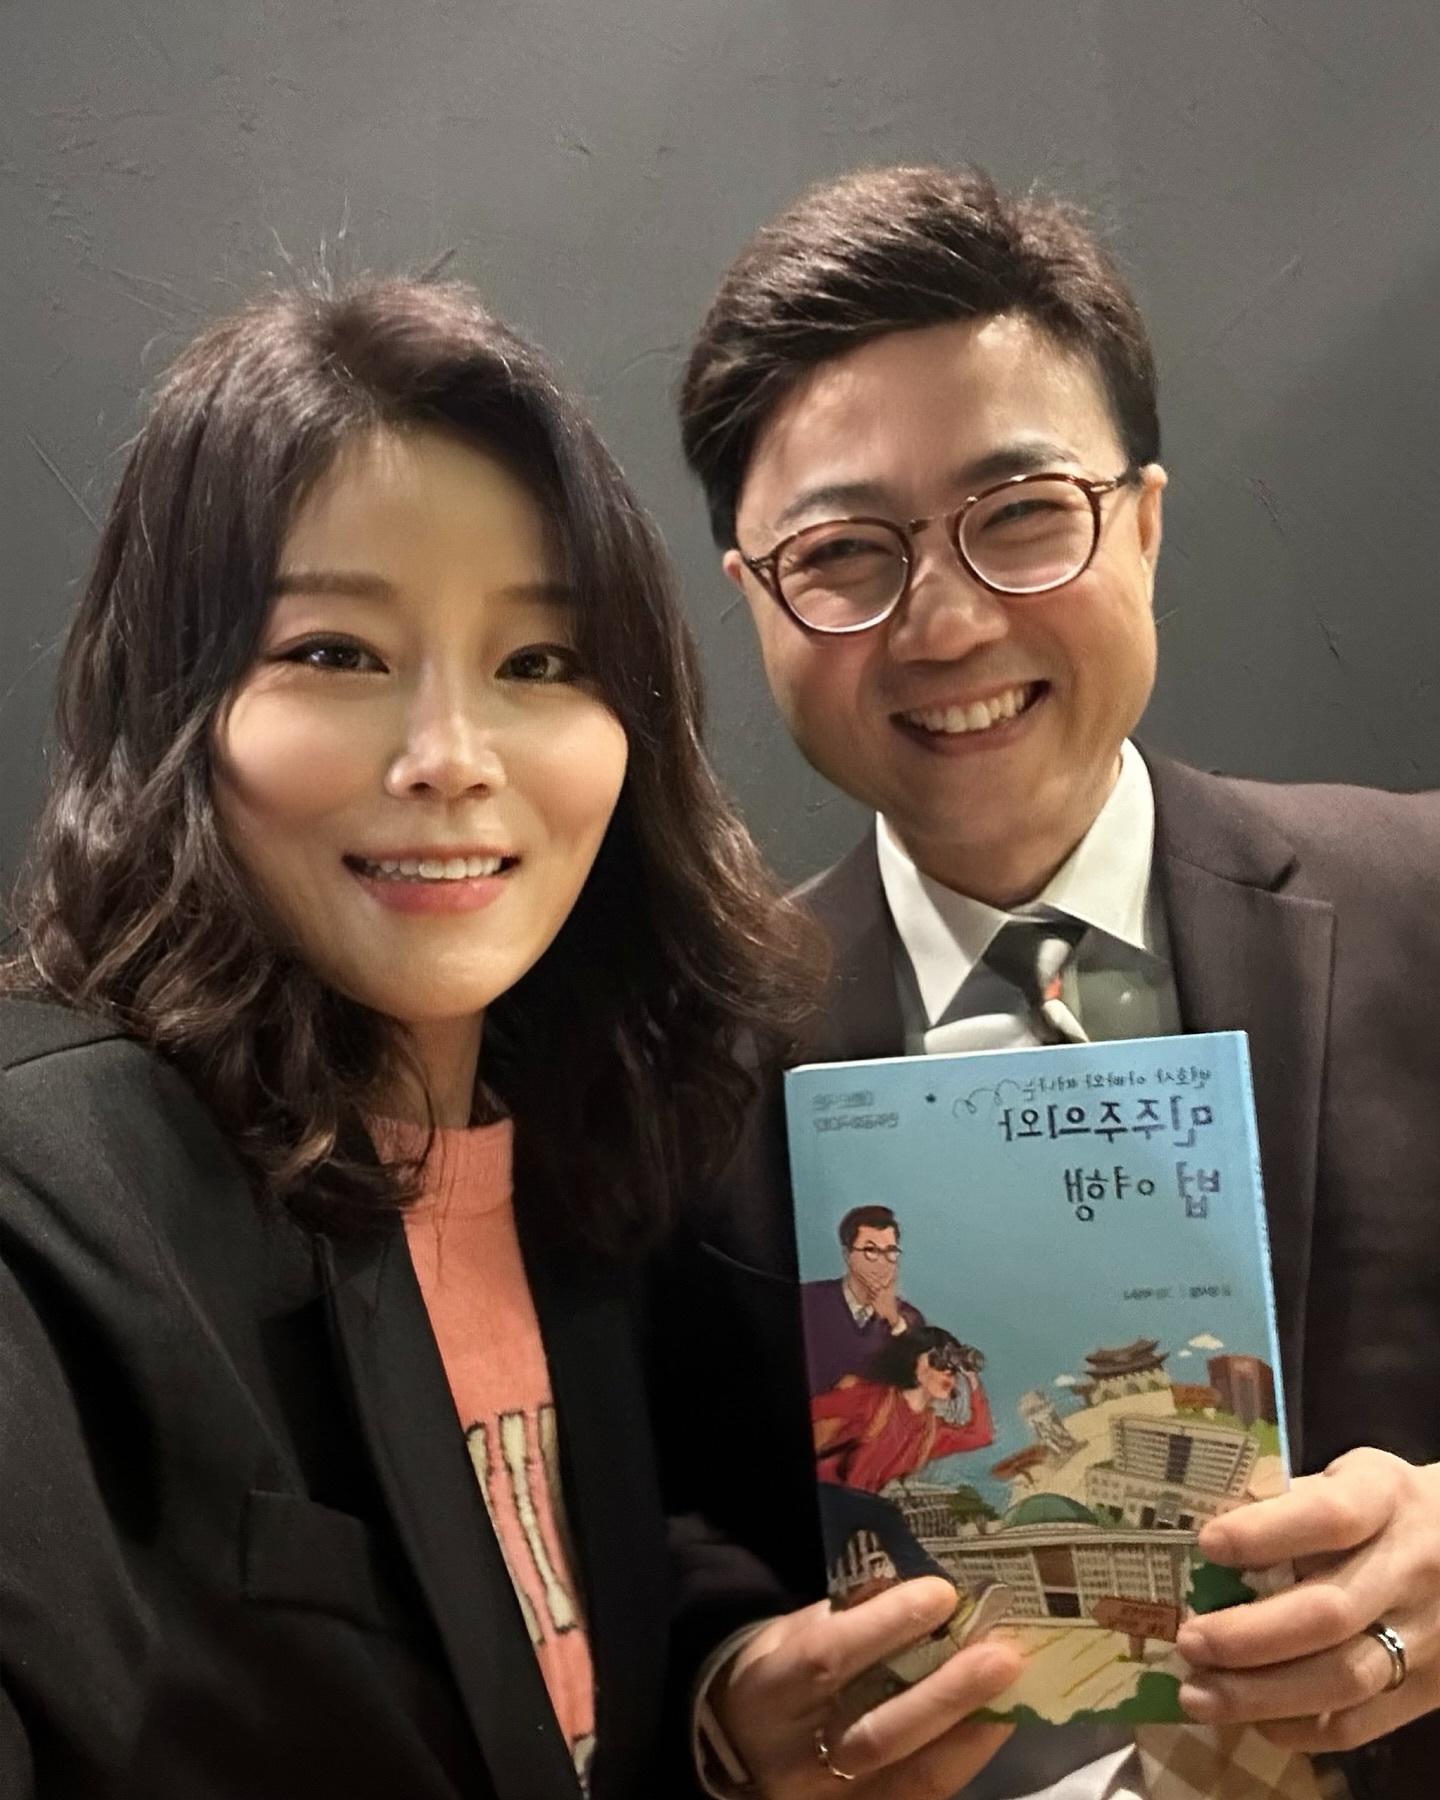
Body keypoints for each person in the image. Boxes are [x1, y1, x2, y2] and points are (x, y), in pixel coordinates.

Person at [658, 165, 1440, 1799]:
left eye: (1021, 515)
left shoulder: (1427, 905)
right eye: (843, 552)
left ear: (1143, 523)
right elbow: (646, 1516)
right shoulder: (679, 1058)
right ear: (752, 599)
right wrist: (727, 1704)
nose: (944, 624)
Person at [0, 278, 838, 1799]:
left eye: (540, 663)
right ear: (171, 705)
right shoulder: (46, 1194)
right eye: (333, 652)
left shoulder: (589, 1163)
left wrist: (726, 1720)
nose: (451, 759)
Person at [813, 1324, 992, 1584]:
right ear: (915, 1363)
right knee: (885, 1515)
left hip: (855, 1505)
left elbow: (981, 1435)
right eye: (938, 1361)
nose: (948, 1373)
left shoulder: (929, 1432)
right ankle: (936, 1584)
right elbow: (815, 1408)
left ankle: (935, 1591)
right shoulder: (873, 1399)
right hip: (826, 1493)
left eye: (953, 1369)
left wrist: (972, 1379)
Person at [801, 1203, 926, 1393]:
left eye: (890, 1251)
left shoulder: (909, 1320)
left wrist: (894, 1322)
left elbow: (915, 1382)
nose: (882, 1261)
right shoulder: (809, 1299)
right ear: (847, 1255)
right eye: (871, 1251)